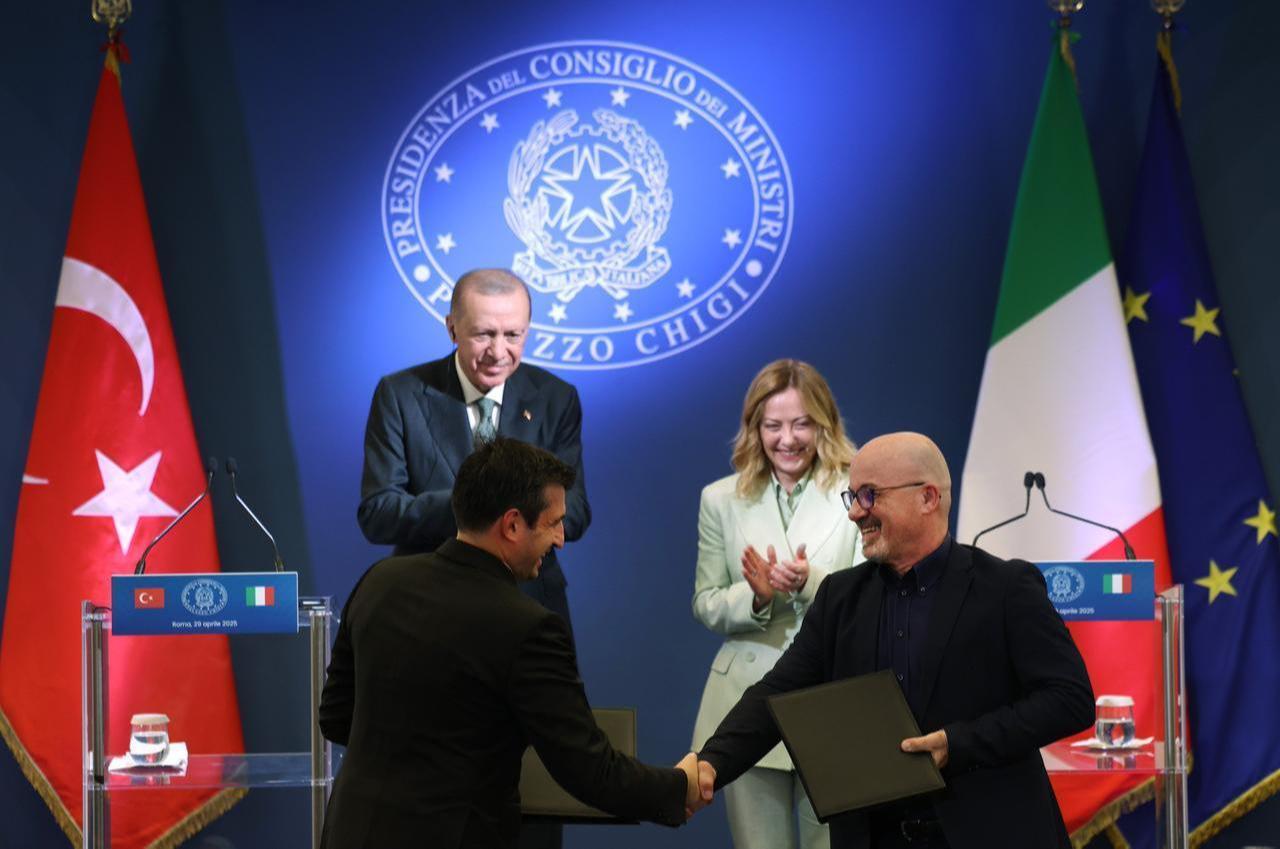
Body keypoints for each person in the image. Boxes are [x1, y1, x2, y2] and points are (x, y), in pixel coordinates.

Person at [697, 432, 1094, 849]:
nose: (854, 514)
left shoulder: (1006, 587)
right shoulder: (839, 597)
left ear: (927, 498)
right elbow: (775, 695)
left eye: (868, 496)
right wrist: (708, 766)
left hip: (989, 831)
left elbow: (1069, 699)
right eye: (851, 498)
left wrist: (958, 744)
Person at [320, 437, 713, 848]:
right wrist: (677, 786)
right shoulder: (528, 627)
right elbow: (590, 770)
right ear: (511, 524)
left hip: (351, 831)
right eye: (553, 522)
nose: (561, 538)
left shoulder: (379, 581)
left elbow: (335, 718)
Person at [691, 359, 863, 849]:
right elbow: (705, 603)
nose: (787, 439)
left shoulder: (855, 490)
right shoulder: (720, 499)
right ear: (754, 429)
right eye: (773, 425)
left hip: (830, 697)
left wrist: (811, 583)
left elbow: (872, 594)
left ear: (824, 425)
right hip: (746, 701)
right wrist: (758, 596)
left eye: (802, 423)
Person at [357, 268, 588, 631]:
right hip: (427, 611)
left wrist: (512, 516)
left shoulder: (556, 399)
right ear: (452, 329)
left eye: (513, 335)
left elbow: (573, 512)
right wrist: (476, 507)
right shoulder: (401, 395)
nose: (498, 352)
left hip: (529, 607)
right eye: (484, 334)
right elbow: (378, 513)